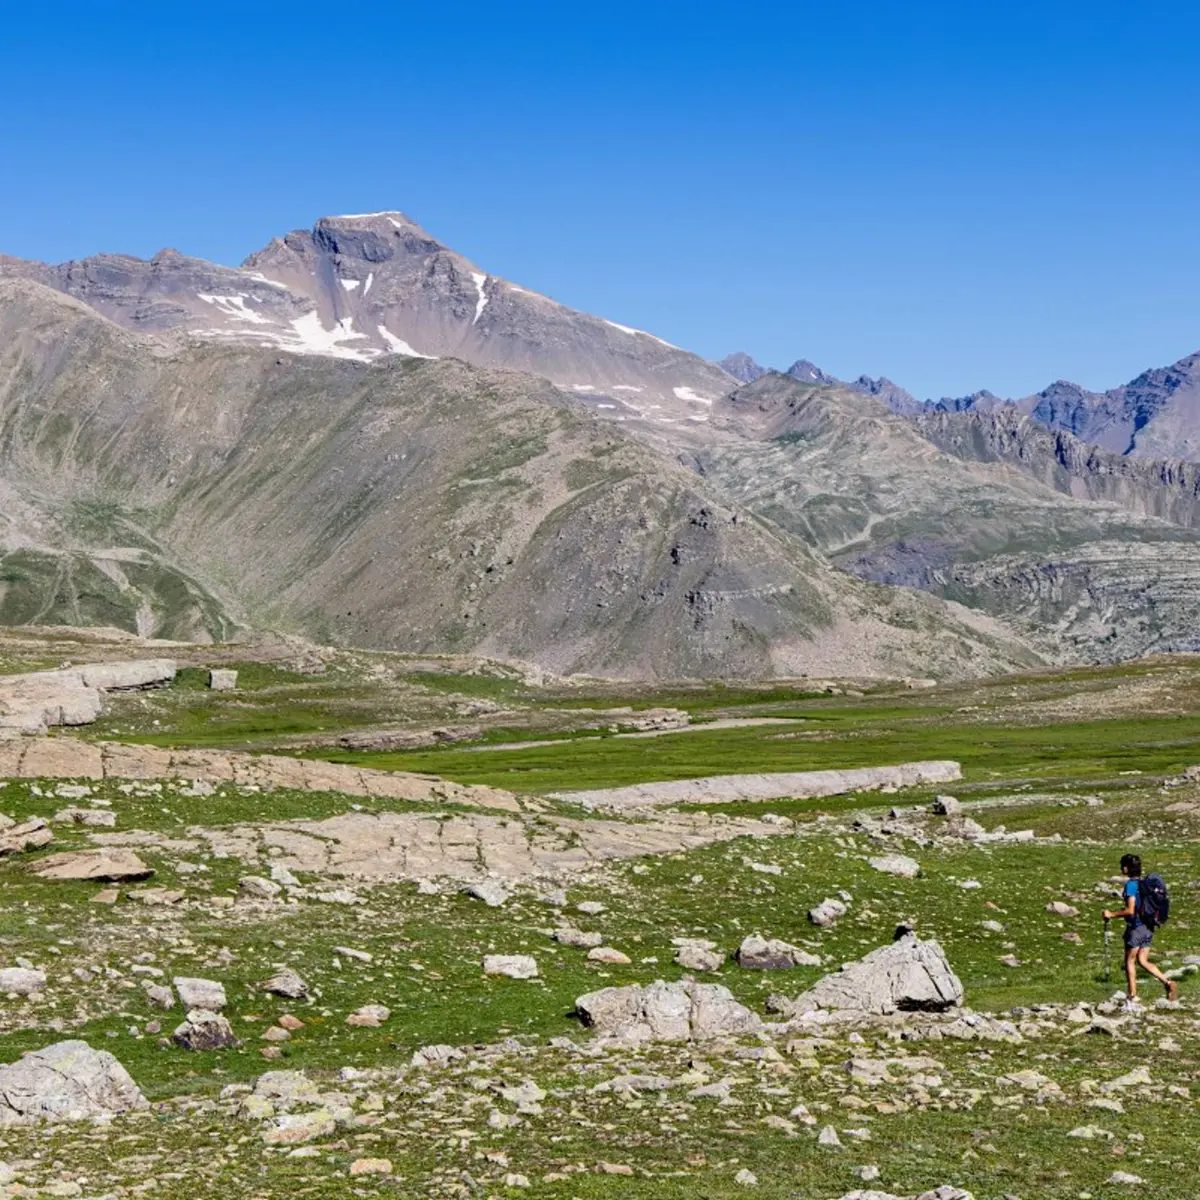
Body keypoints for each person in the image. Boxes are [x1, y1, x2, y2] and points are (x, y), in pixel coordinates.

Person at [1103, 853, 1177, 1003]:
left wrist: (1111, 914)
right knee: (1142, 960)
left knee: (1129, 961)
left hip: (1136, 927)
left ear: (1126, 868)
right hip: (1148, 926)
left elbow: (1130, 910)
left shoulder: (1131, 885)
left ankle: (1132, 995)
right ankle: (1168, 983)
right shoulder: (1145, 883)